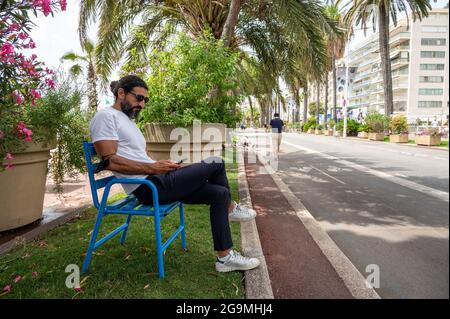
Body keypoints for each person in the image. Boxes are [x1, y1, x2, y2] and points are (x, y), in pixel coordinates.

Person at [89, 75, 260, 273]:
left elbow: (139, 157)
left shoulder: (127, 121)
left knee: (219, 194)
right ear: (121, 93)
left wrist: (162, 165)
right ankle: (231, 209)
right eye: (138, 98)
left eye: (145, 100)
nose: (142, 104)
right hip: (148, 188)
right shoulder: (105, 117)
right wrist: (154, 168)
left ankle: (225, 258)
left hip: (157, 180)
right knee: (216, 162)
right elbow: (110, 161)